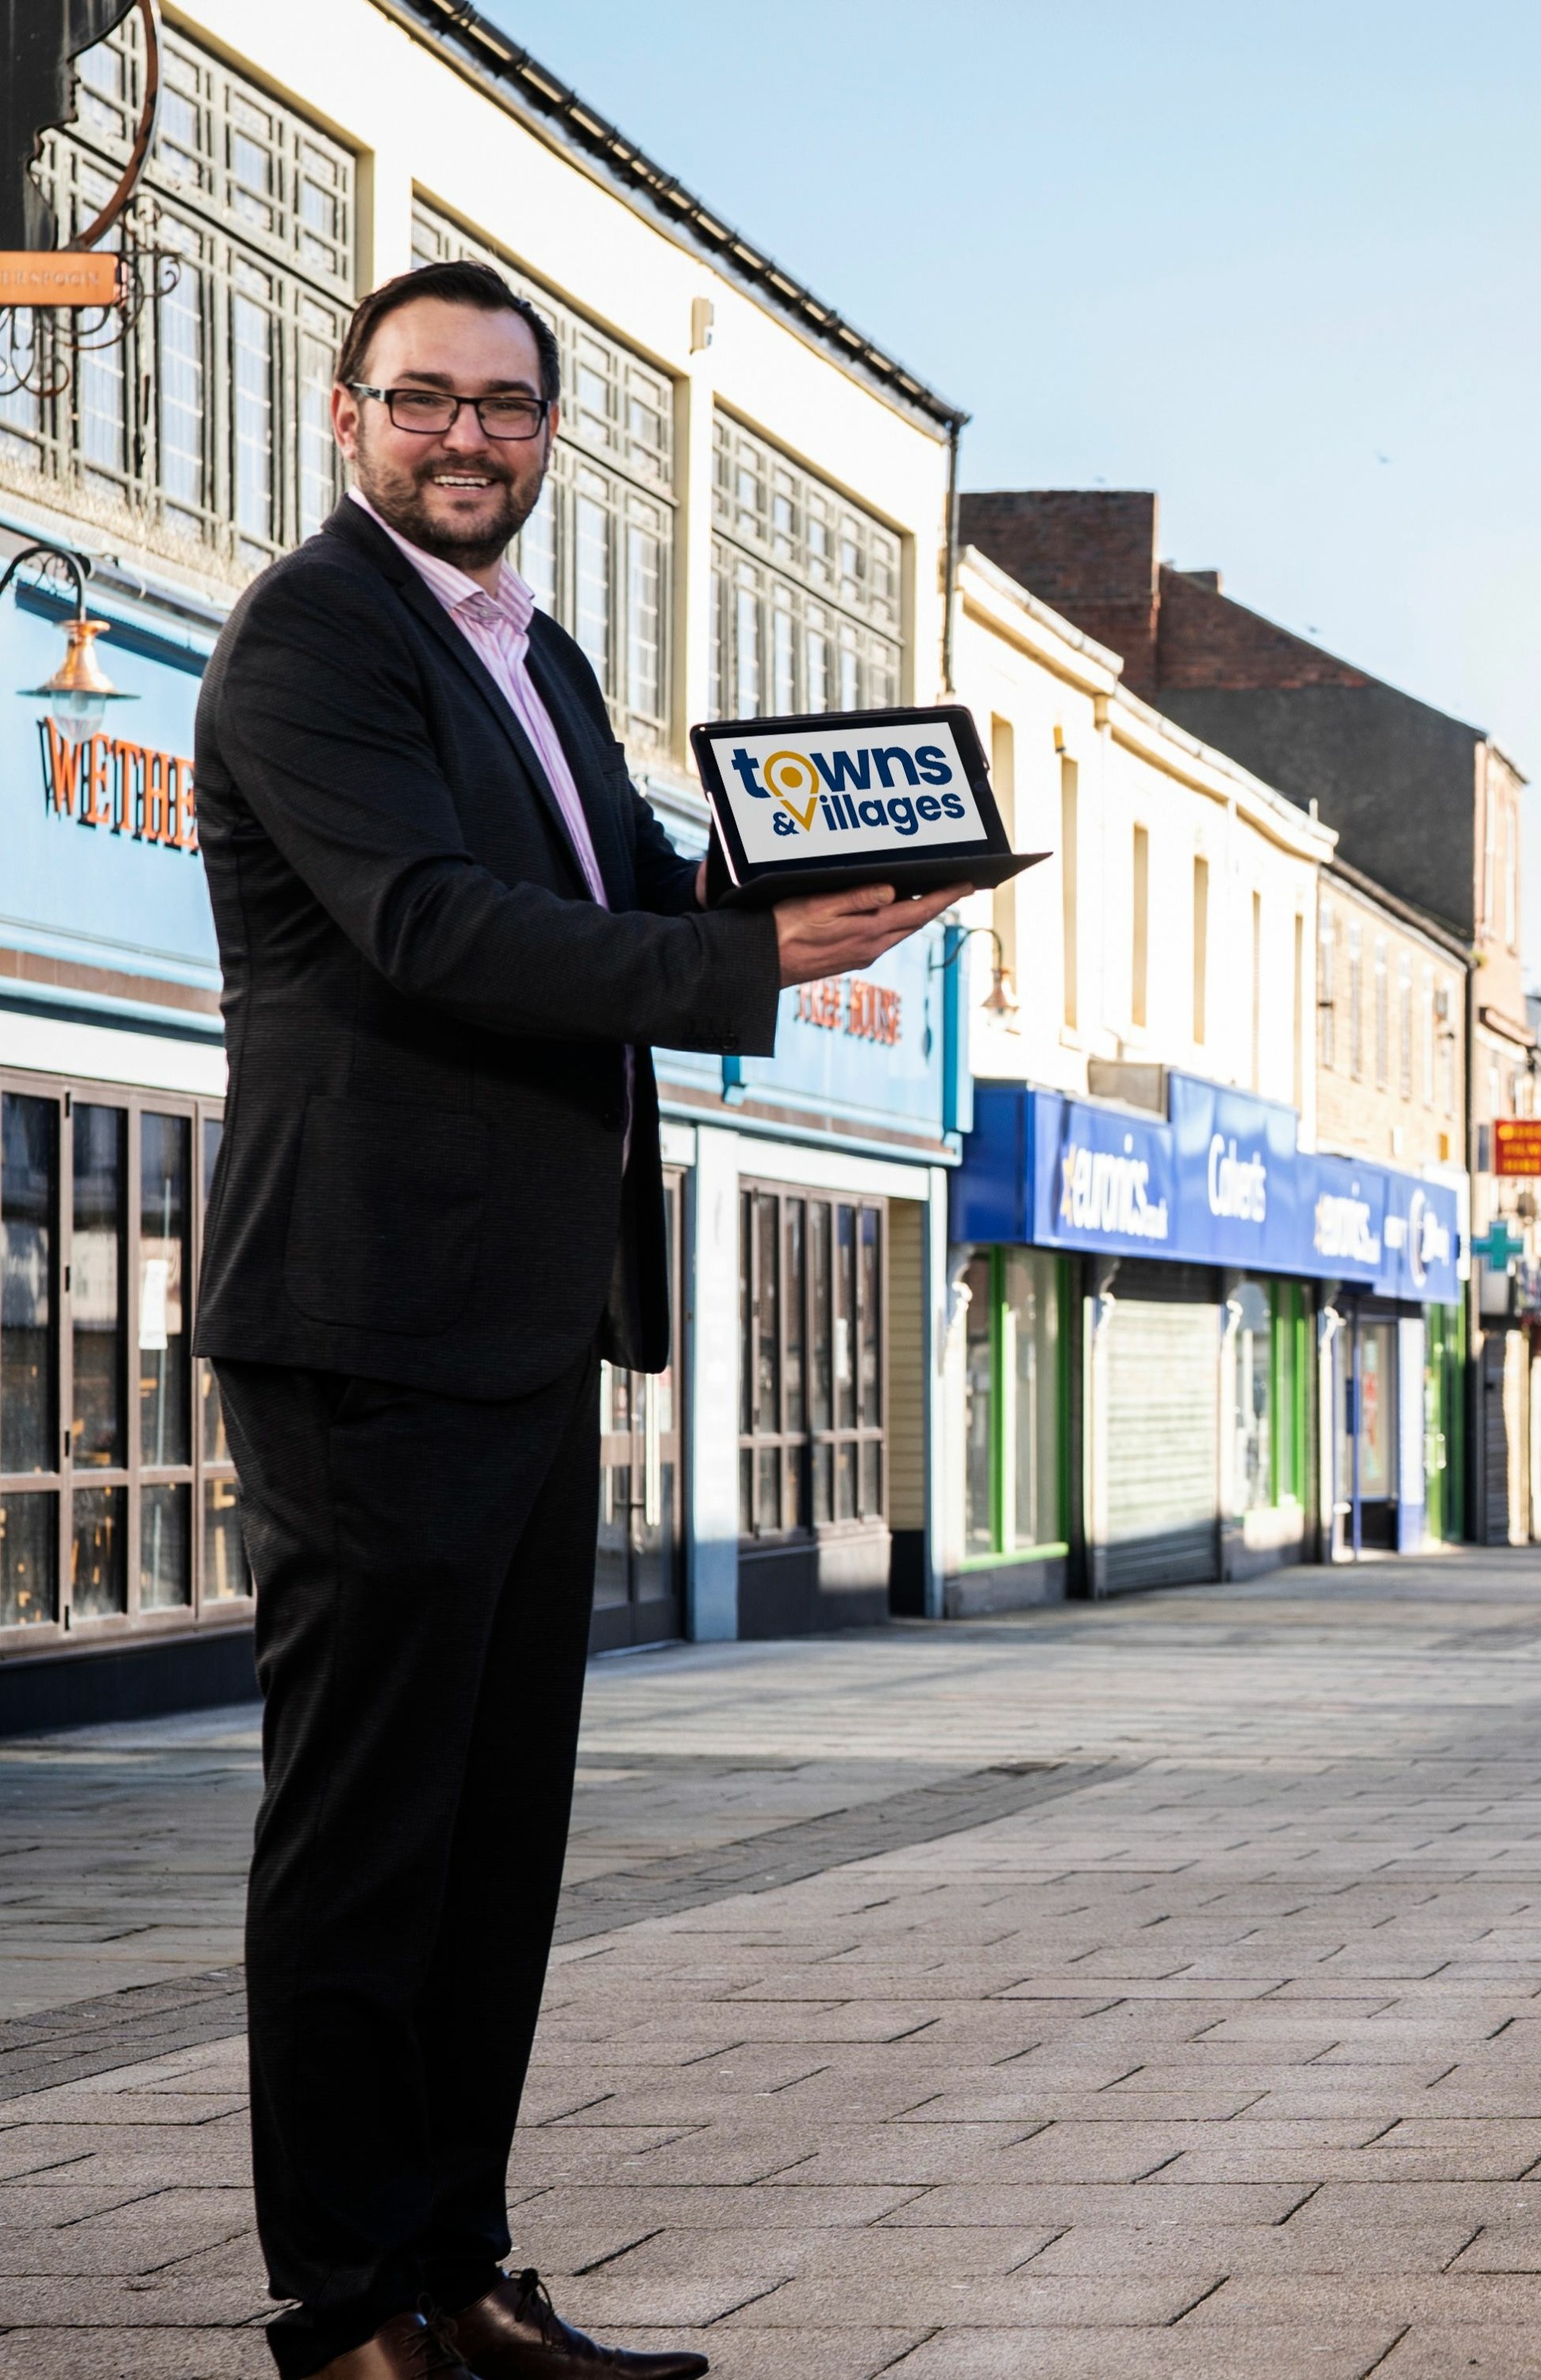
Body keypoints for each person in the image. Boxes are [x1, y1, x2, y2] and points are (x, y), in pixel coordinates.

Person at [194, 261, 968, 2380]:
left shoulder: (534, 651)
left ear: (551, 434)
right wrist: (747, 967)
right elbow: (431, 928)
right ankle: (348, 2307)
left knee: (490, 1832)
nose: (468, 435)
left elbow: (629, 881)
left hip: (519, 1315)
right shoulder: (313, 636)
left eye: (508, 405)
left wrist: (825, 883)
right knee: (368, 1836)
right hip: (367, 1315)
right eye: (425, 398)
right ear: (346, 414)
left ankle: (455, 2267)